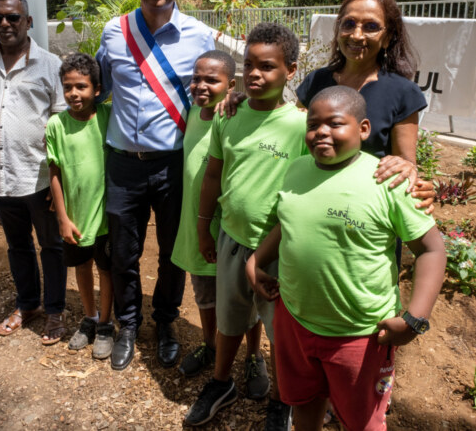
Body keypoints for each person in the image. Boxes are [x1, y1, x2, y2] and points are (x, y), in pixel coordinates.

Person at [246, 86, 446, 430]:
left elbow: (431, 249)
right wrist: (255, 261)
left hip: (359, 335)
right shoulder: (295, 169)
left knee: (362, 421)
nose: (321, 132)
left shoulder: (388, 180)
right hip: (294, 321)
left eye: (335, 123)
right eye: (313, 124)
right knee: (304, 403)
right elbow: (289, 221)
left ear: (363, 129)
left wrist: (414, 319)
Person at [96, 0, 215, 371]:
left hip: (174, 164)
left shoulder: (200, 37)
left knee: (172, 251)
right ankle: (128, 324)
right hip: (124, 163)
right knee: (123, 251)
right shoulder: (114, 32)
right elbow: (99, 87)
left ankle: (165, 322)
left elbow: (218, 93)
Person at [184, 23, 306, 429]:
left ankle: (281, 399)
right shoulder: (228, 116)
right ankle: (221, 382)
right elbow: (214, 177)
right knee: (230, 317)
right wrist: (205, 227)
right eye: (250, 65)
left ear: (291, 70)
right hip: (231, 239)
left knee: (280, 331)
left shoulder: (302, 127)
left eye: (267, 67)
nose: (255, 74)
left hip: (279, 251)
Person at [0, 0, 68, 344]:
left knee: (51, 244)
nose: (5, 24)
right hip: (0, 175)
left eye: (13, 17)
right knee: (17, 245)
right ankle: (28, 304)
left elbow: (62, 126)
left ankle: (55, 309)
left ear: (29, 21)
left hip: (39, 176)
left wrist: (62, 181)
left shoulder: (50, 65)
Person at [296, 0, 428, 195]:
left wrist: (407, 168)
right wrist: (239, 103)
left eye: (370, 27)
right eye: (349, 24)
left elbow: (405, 164)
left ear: (388, 37)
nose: (357, 35)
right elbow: (291, 133)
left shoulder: (403, 93)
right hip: (310, 194)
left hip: (363, 205)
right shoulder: (316, 81)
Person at [170, 50, 236, 378]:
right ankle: (210, 344)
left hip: (226, 225)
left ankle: (250, 357)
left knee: (238, 297)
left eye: (213, 80)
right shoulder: (194, 113)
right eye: (197, 78)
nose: (201, 86)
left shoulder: (233, 116)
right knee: (204, 293)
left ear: (230, 85)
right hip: (195, 224)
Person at [46, 53, 114, 359]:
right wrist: (62, 217)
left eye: (82, 87)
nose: (74, 93)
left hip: (106, 217)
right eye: (68, 87)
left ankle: (106, 323)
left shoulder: (108, 116)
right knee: (82, 267)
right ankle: (88, 317)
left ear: (97, 89)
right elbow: (55, 173)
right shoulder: (55, 125)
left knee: (107, 268)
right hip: (75, 216)